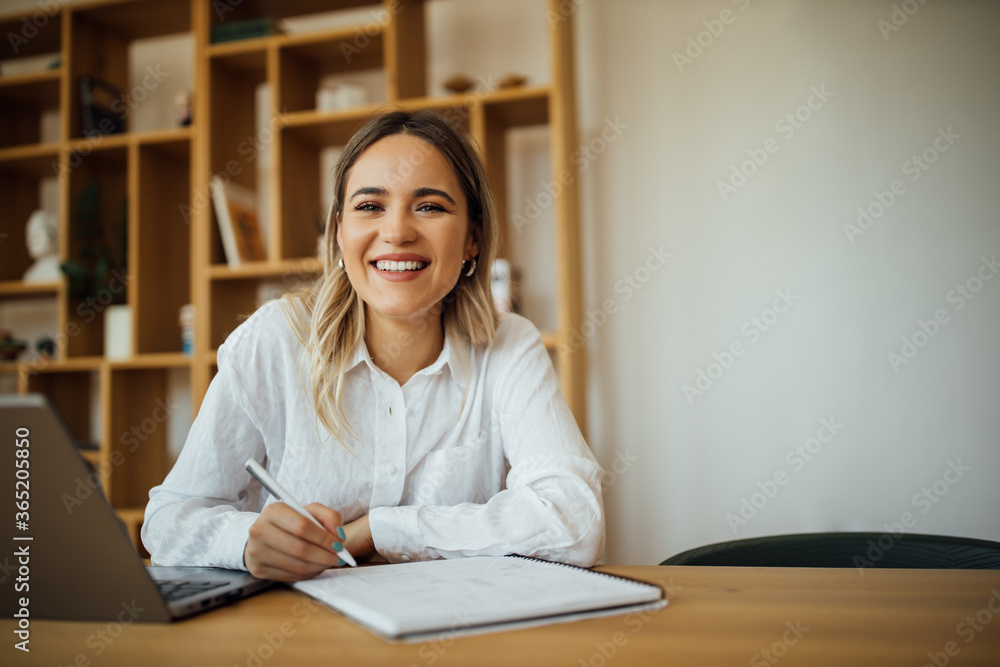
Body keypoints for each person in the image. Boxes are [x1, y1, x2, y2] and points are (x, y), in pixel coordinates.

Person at [142, 109, 605, 581]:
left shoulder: (509, 345)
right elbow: (168, 522)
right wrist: (244, 543)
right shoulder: (276, 340)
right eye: (369, 206)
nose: (398, 231)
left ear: (472, 238)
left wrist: (377, 531)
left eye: (430, 206)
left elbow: (574, 520)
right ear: (340, 232)